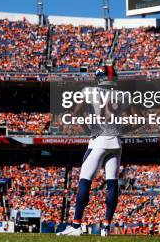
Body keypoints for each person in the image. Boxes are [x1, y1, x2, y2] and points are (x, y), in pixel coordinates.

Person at [58, 65, 121, 237]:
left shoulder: (90, 91)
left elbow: (76, 112)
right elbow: (138, 117)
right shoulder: (123, 94)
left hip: (98, 140)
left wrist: (88, 129)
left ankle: (77, 225)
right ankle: (106, 227)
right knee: (112, 183)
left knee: (85, 180)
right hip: (116, 141)